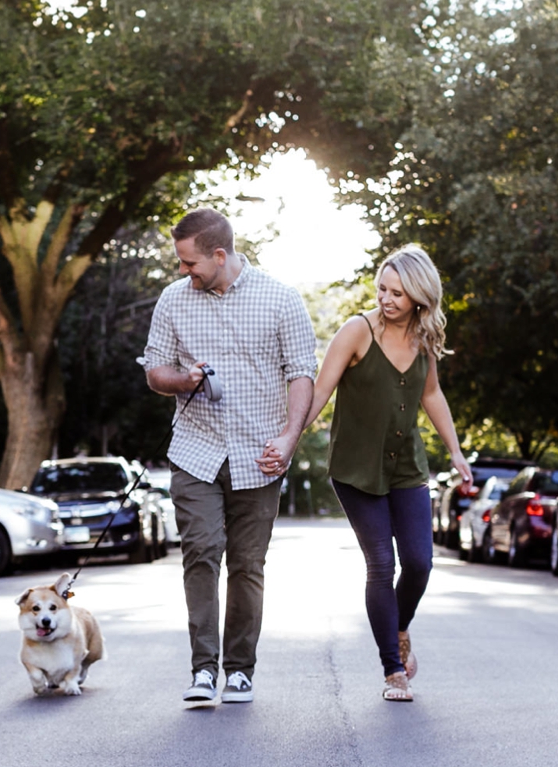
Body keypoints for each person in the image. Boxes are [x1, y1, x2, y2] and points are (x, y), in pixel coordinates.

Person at [276, 244, 471, 702]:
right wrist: (289, 439)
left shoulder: (425, 337)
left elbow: (432, 395)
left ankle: (400, 628)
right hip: (356, 468)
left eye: (398, 293)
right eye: (383, 288)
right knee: (381, 564)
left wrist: (456, 452)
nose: (386, 299)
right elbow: (320, 391)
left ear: (420, 298)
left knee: (420, 563)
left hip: (407, 466)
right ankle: (393, 671)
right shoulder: (357, 331)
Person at [140, 209, 317, 704]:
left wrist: (288, 438)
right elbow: (155, 370)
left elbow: (302, 372)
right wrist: (183, 379)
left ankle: (239, 670)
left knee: (247, 564)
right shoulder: (174, 300)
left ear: (220, 255)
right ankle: (202, 669)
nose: (183, 272)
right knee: (200, 551)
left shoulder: (281, 299)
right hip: (195, 451)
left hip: (259, 455)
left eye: (190, 262)